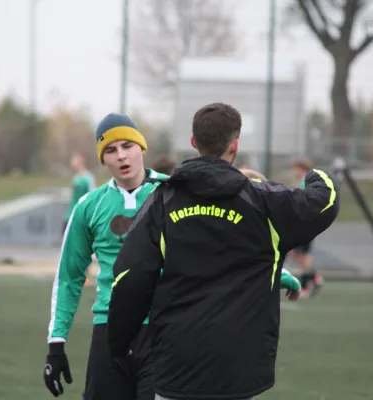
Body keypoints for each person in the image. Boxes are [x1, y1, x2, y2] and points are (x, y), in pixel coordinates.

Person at [107, 103, 339, 400]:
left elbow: (130, 278)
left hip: (176, 366)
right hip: (239, 369)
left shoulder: (162, 200)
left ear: (194, 143)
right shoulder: (263, 200)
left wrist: (118, 343)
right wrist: (315, 174)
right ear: (235, 145)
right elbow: (326, 200)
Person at [44, 113, 169, 400]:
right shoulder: (89, 206)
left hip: (162, 330)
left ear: (142, 149)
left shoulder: (173, 192)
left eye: (127, 146)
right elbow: (69, 277)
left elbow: (215, 251)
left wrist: (279, 273)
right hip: (109, 331)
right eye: (111, 150)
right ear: (103, 159)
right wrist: (56, 342)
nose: (121, 156)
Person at [289, 158, 325, 297]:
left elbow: (302, 203)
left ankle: (305, 285)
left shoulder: (305, 182)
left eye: (295, 168)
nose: (293, 172)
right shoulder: (302, 182)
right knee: (298, 255)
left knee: (303, 257)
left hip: (305, 224)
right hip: (303, 224)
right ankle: (315, 277)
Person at [63, 152, 96, 235]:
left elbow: (93, 196)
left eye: (74, 161)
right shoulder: (75, 177)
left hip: (81, 216)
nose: (72, 164)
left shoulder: (88, 178)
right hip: (71, 214)